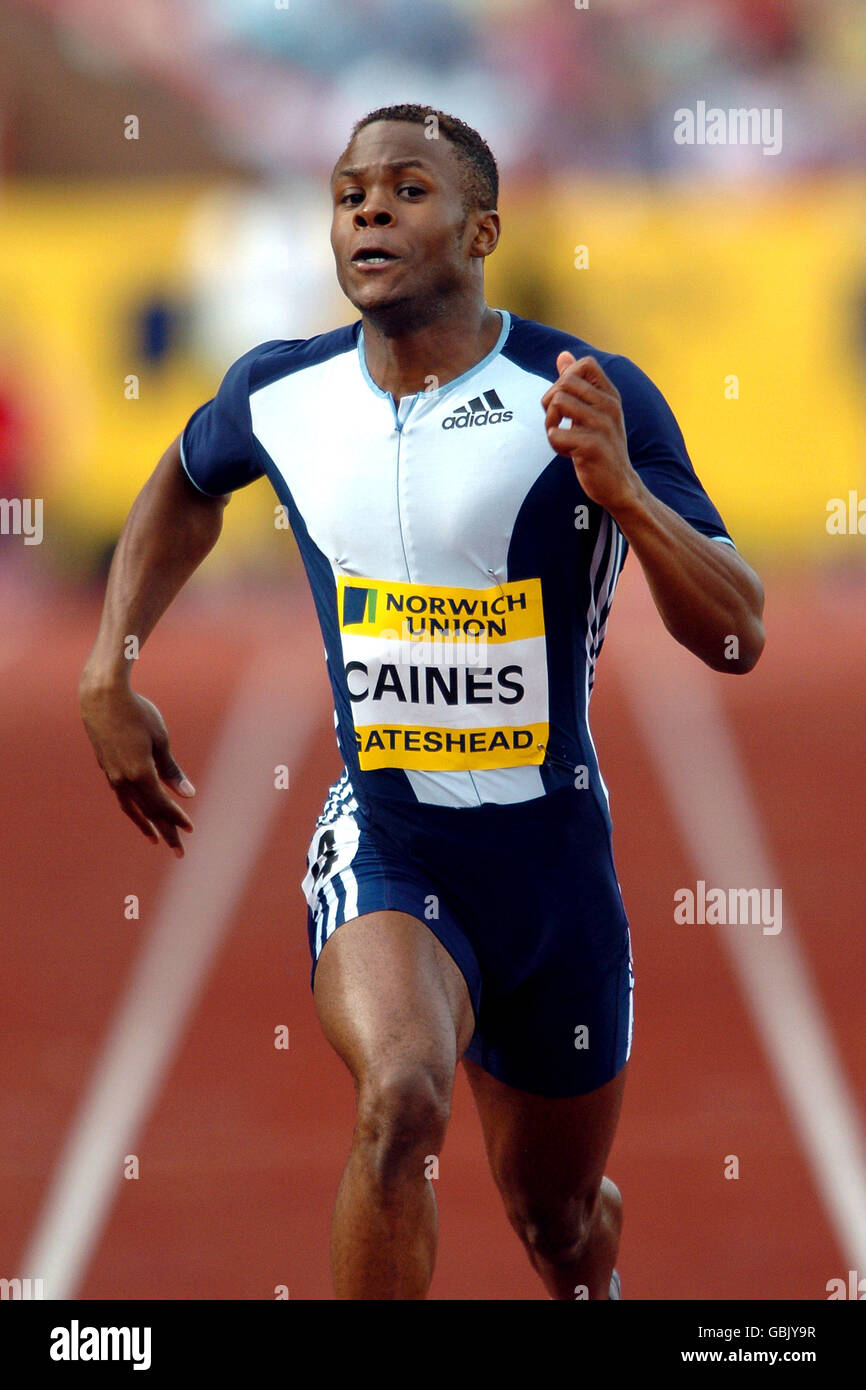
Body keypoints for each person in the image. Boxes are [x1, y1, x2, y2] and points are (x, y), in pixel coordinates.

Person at [79, 104, 765, 1301]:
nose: (369, 211)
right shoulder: (280, 392)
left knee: (552, 1218)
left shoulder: (585, 394)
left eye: (406, 189)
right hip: (389, 839)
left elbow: (736, 632)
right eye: (349, 194)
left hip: (552, 870)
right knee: (400, 1101)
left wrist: (625, 495)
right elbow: (185, 483)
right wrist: (110, 666)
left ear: (482, 227)